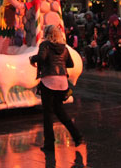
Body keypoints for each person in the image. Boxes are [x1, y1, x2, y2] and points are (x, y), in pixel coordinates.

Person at [30, 24, 83, 152]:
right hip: (62, 82)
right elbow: (70, 63)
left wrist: (32, 58)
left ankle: (49, 144)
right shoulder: (64, 47)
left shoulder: (45, 45)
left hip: (49, 81)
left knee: (48, 113)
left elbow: (42, 57)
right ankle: (77, 136)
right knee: (59, 111)